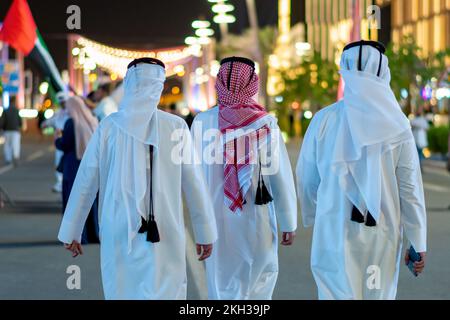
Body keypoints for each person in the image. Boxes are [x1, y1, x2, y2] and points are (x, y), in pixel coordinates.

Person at [57, 58, 217, 300]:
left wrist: (72, 230)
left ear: (129, 84)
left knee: (122, 291)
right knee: (166, 291)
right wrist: (204, 233)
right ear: (159, 86)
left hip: (118, 226)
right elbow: (194, 184)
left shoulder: (108, 127)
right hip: (165, 228)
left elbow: (86, 181)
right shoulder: (175, 127)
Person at [296, 41, 427, 300]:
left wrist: (313, 213)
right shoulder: (398, 125)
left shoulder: (323, 119)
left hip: (333, 229)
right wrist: (417, 240)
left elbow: (306, 178)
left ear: (344, 69)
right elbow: (409, 187)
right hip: (382, 234)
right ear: (382, 72)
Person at [191, 56, 297, 300]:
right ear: (253, 83)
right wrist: (288, 220)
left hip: (215, 220)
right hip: (256, 218)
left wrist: (199, 227)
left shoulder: (202, 122)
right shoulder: (265, 122)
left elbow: (192, 180)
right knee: (258, 286)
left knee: (222, 286)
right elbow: (279, 175)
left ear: (219, 83)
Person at [55, 96, 99, 244]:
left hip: (72, 166)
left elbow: (64, 144)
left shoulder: (71, 123)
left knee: (73, 203)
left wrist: (57, 139)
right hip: (89, 167)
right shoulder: (91, 121)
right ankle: (93, 234)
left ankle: (75, 237)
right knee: (88, 201)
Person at [42, 92, 70, 192]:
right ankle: (60, 183)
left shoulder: (71, 113)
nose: (63, 104)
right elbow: (49, 122)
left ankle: (67, 183)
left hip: (69, 143)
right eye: (61, 102)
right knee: (58, 162)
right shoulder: (58, 113)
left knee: (69, 163)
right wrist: (45, 124)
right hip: (59, 143)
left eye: (64, 102)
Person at [0, 96, 22, 166]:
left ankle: (8, 159)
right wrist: (20, 126)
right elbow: (20, 121)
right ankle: (16, 157)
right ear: (14, 102)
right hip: (15, 130)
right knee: (15, 145)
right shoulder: (16, 110)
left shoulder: (5, 110)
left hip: (7, 130)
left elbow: (2, 121)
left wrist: (2, 128)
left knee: (7, 145)